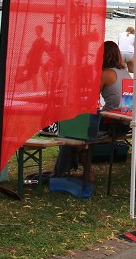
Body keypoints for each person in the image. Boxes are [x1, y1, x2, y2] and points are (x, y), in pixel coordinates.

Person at [53, 41, 127, 180]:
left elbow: (91, 99)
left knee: (74, 133)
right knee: (77, 129)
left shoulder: (105, 74)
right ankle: (72, 168)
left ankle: (79, 172)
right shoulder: (125, 73)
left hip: (111, 122)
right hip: (125, 121)